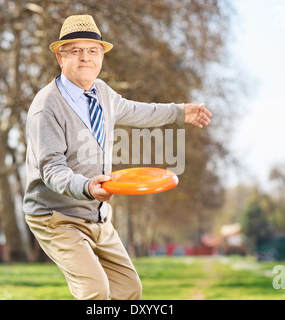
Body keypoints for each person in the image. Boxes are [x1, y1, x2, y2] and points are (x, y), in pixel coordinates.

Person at [23, 15, 212, 300]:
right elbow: (51, 169)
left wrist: (179, 111)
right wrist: (87, 187)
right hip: (57, 216)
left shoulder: (102, 93)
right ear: (61, 58)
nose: (86, 58)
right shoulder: (47, 107)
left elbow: (138, 111)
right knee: (95, 291)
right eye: (76, 51)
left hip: (97, 215)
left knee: (128, 289)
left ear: (101, 57)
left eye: (93, 50)